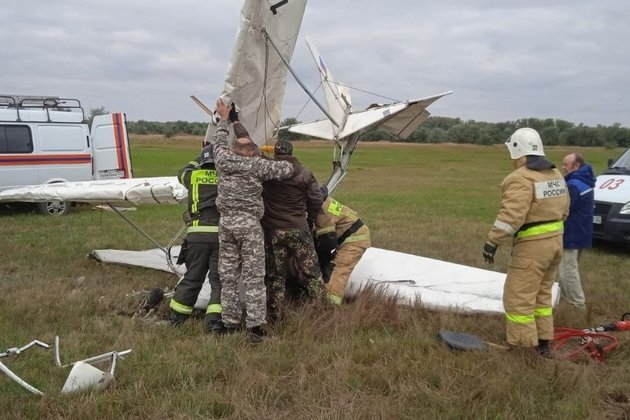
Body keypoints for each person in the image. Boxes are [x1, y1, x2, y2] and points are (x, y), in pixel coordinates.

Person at [209, 98, 295, 342]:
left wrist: (227, 120)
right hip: (248, 226)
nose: (254, 150)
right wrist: (275, 157)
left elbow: (219, 140)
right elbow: (286, 170)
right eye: (252, 149)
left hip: (226, 225)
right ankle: (256, 329)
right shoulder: (257, 165)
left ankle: (229, 323)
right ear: (248, 153)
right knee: (254, 277)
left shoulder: (223, 160)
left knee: (228, 276)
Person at [482, 127, 569, 357]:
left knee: (518, 298)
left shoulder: (520, 178)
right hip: (556, 243)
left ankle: (522, 350)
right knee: (541, 296)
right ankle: (543, 344)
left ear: (517, 150)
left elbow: (511, 217)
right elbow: (565, 210)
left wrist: (492, 241)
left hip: (533, 247)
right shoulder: (556, 174)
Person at [261, 140, 323, 324]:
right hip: (298, 228)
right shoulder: (304, 172)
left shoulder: (267, 172)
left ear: (276, 153)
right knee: (312, 271)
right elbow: (316, 198)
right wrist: (310, 219)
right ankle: (322, 312)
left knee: (275, 275)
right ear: (292, 151)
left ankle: (274, 317)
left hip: (273, 231)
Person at [168, 145, 223, 333]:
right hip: (220, 237)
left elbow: (181, 172)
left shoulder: (192, 176)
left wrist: (197, 158)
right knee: (219, 280)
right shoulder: (226, 178)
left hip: (197, 236)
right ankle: (215, 321)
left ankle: (176, 317)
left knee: (192, 277)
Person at [314, 188, 371, 305]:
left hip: (355, 238)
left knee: (338, 272)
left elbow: (328, 242)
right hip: (346, 234)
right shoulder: (321, 200)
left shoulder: (320, 210)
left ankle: (330, 307)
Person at [558, 153, 596, 309]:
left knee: (567, 271)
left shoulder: (574, 185)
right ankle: (565, 300)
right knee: (567, 269)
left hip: (572, 233)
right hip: (581, 232)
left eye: (566, 164)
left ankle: (578, 304)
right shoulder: (584, 181)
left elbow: (564, 210)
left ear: (576, 166)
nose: (563, 168)